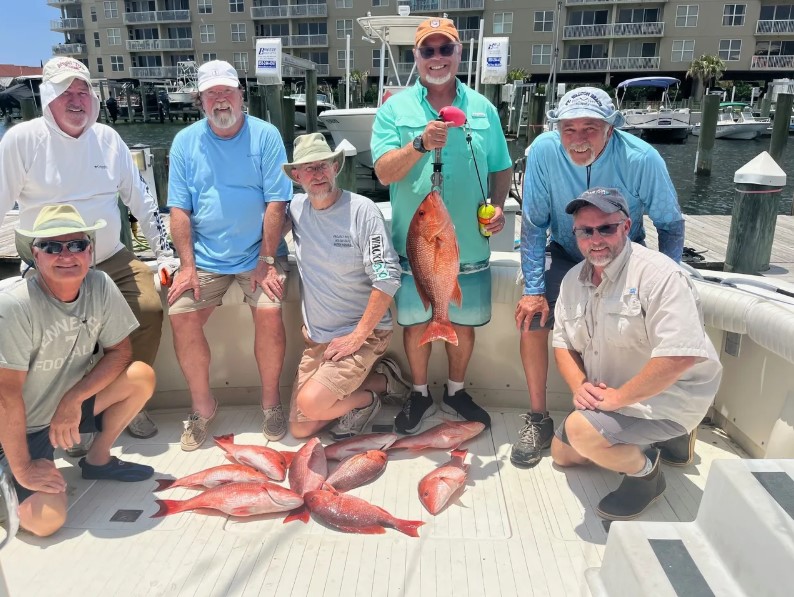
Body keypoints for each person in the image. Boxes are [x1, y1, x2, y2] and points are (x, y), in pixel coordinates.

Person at [0, 57, 174, 442]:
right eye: (66, 92)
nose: (76, 99)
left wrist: (164, 254)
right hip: (48, 263)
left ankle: (125, 402)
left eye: (83, 91)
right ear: (48, 96)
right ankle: (55, 415)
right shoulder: (20, 140)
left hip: (109, 255)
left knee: (149, 308)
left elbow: (142, 200)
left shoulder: (108, 139)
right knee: (54, 337)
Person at [512, 87, 686, 468]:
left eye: (590, 128)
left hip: (624, 253)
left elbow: (670, 224)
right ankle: (538, 418)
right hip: (565, 248)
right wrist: (535, 290)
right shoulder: (542, 151)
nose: (579, 139)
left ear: (611, 127)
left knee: (649, 323)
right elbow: (533, 224)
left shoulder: (643, 158)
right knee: (532, 318)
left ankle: (660, 418)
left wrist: (669, 282)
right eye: (568, 129)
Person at [371, 18, 513, 435]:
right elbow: (383, 172)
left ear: (458, 53)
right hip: (417, 245)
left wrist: (497, 206)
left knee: (462, 324)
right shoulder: (394, 109)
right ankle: (418, 393)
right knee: (417, 323)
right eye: (428, 50)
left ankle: (455, 391)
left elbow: (501, 167)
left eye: (445, 49)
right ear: (416, 57)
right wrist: (418, 144)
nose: (437, 58)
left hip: (470, 243)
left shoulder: (483, 108)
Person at [550, 188, 721, 520]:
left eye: (606, 228)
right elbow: (563, 344)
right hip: (611, 397)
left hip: (669, 397)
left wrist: (618, 399)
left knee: (581, 432)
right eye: (585, 231)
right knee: (563, 456)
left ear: (626, 227)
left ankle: (646, 474)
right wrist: (580, 387)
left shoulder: (660, 275)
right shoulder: (572, 280)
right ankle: (661, 439)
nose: (595, 239)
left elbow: (680, 357)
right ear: (575, 234)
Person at [0, 205, 156, 537]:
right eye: (52, 247)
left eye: (77, 244)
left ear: (90, 251)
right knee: (46, 522)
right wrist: (24, 468)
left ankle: (98, 460)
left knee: (140, 376)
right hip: (12, 428)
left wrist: (72, 400)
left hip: (60, 410)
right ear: (35, 255)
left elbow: (120, 353)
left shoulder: (100, 285)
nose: (66, 255)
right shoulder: (13, 304)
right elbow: (5, 397)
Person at [166, 60, 293, 450]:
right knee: (180, 314)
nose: (220, 100)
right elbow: (178, 210)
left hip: (260, 253)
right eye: (211, 94)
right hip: (205, 257)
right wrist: (187, 266)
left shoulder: (266, 135)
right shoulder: (184, 141)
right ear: (200, 100)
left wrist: (266, 261)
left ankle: (270, 404)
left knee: (269, 311)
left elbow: (277, 203)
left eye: (227, 91)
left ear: (241, 95)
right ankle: (202, 407)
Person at [282, 133, 409, 439]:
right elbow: (263, 224)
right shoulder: (295, 209)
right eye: (308, 168)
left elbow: (387, 276)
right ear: (297, 176)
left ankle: (367, 400)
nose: (317, 174)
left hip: (362, 334)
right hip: (318, 340)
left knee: (311, 403)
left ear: (335, 167)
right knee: (300, 429)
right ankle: (382, 380)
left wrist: (357, 337)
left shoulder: (363, 210)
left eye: (323, 165)